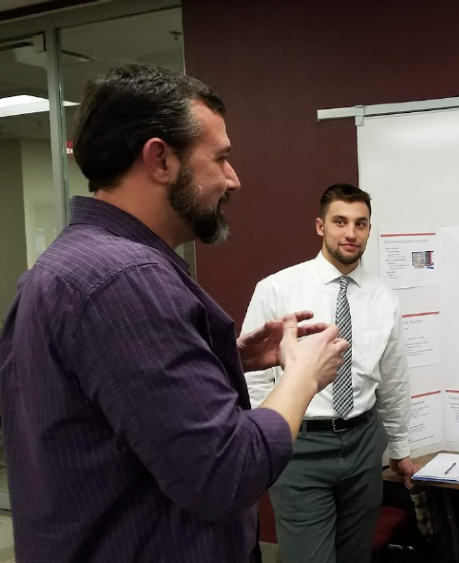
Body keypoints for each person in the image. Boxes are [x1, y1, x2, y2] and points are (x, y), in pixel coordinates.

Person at [0, 64, 349, 562]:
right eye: (221, 158)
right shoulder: (123, 279)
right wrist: (302, 376)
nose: (234, 179)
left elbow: (110, 404)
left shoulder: (68, 267)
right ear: (160, 159)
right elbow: (227, 473)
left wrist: (222, 358)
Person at [242, 183, 417, 563]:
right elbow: (253, 377)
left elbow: (393, 379)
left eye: (361, 223)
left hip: (363, 444)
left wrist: (400, 449)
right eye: (340, 221)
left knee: (356, 555)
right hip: (301, 446)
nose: (351, 233)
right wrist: (263, 445)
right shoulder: (277, 289)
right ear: (321, 226)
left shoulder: (384, 298)